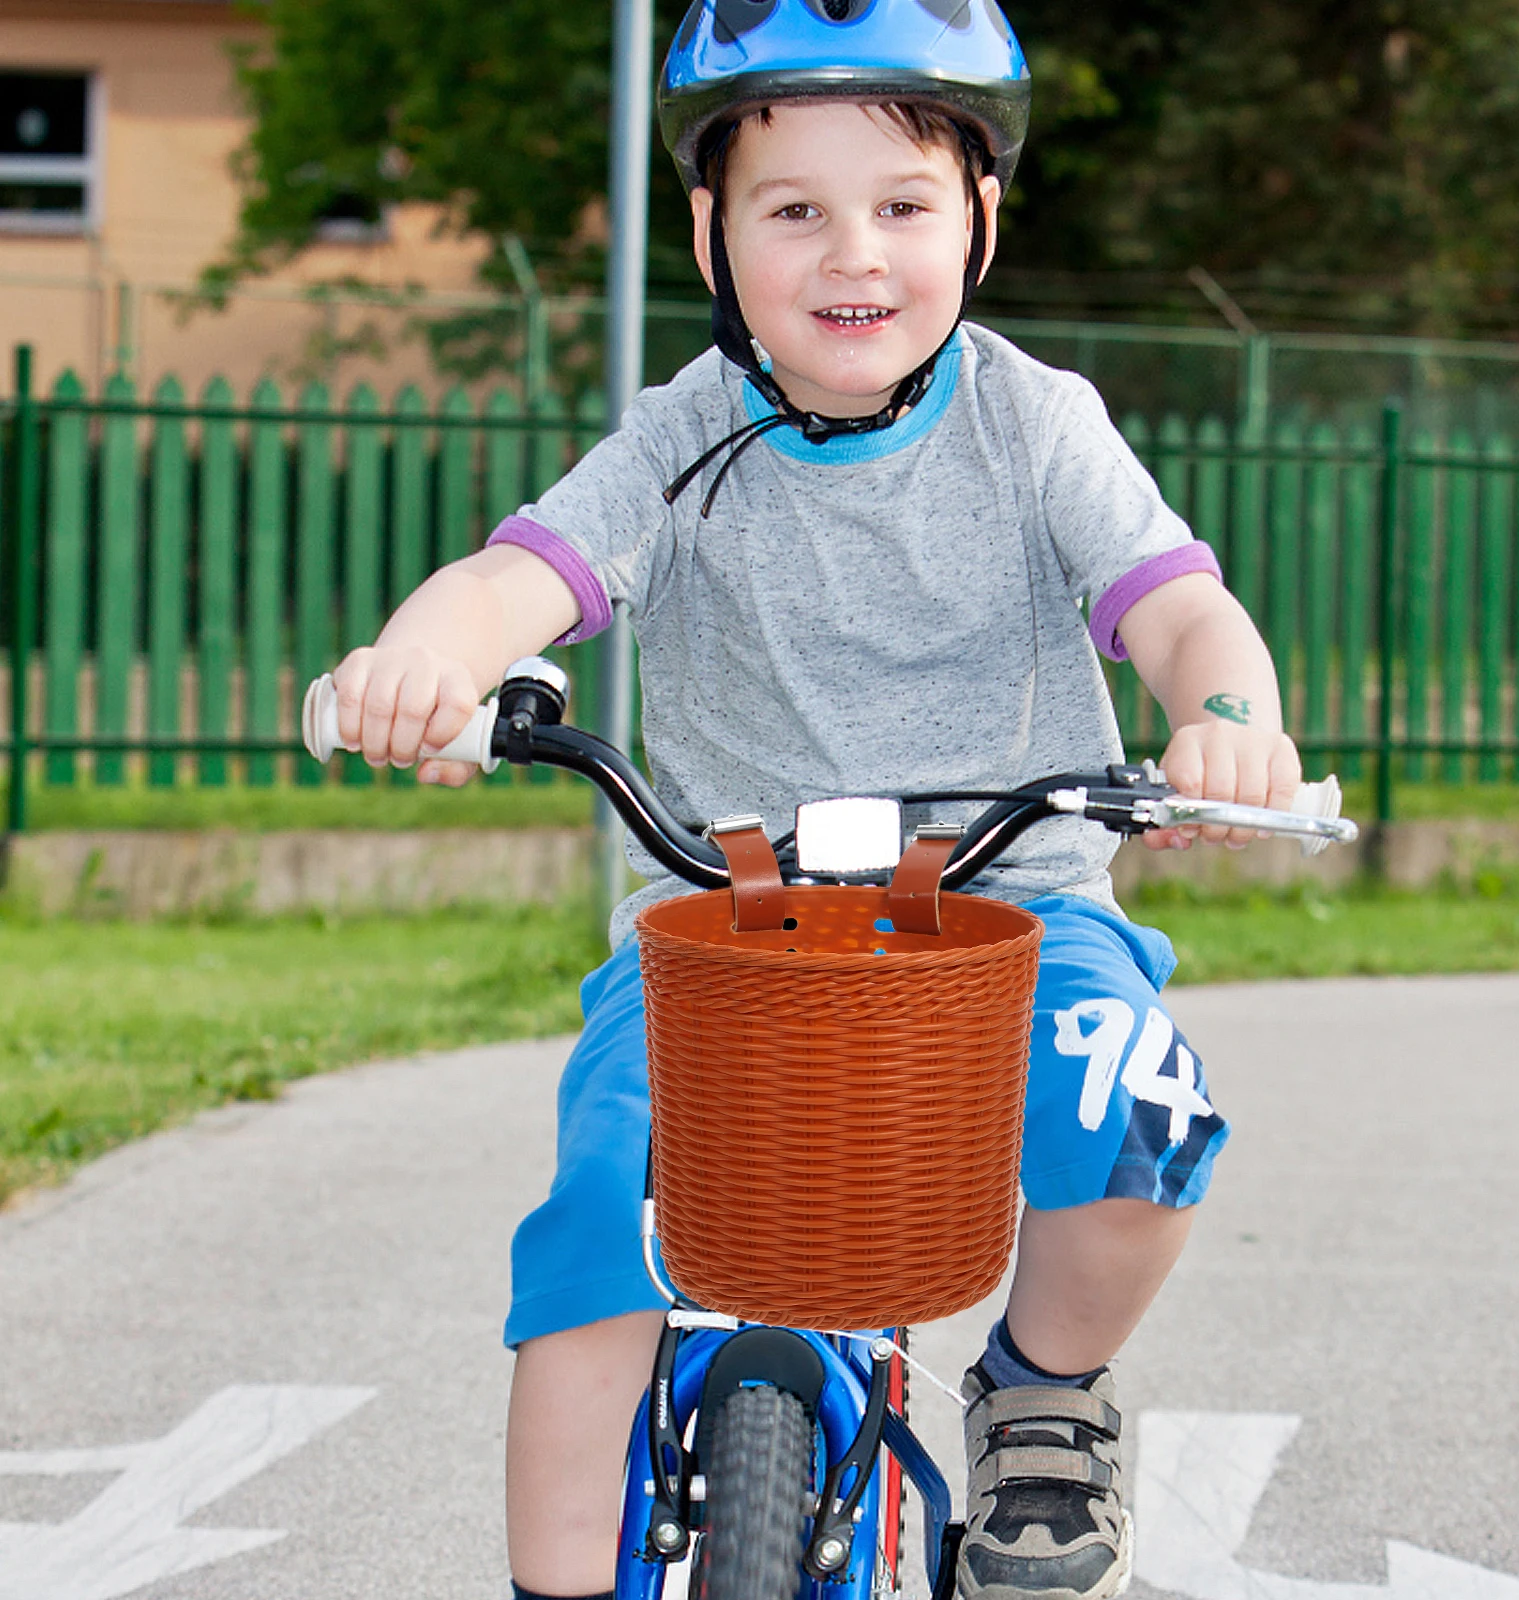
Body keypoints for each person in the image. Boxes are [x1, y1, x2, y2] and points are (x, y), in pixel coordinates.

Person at [330, 3, 1302, 1597]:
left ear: (981, 220)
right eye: (794, 210)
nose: (856, 254)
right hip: (727, 930)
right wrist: (429, 656)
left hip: (1010, 915)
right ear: (710, 235)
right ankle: (554, 1580)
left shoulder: (1035, 423)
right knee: (596, 1242)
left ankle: (1043, 1399)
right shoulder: (679, 439)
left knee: (1138, 1118)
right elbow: (523, 576)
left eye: (904, 205)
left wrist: (1227, 719)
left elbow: (1179, 608)